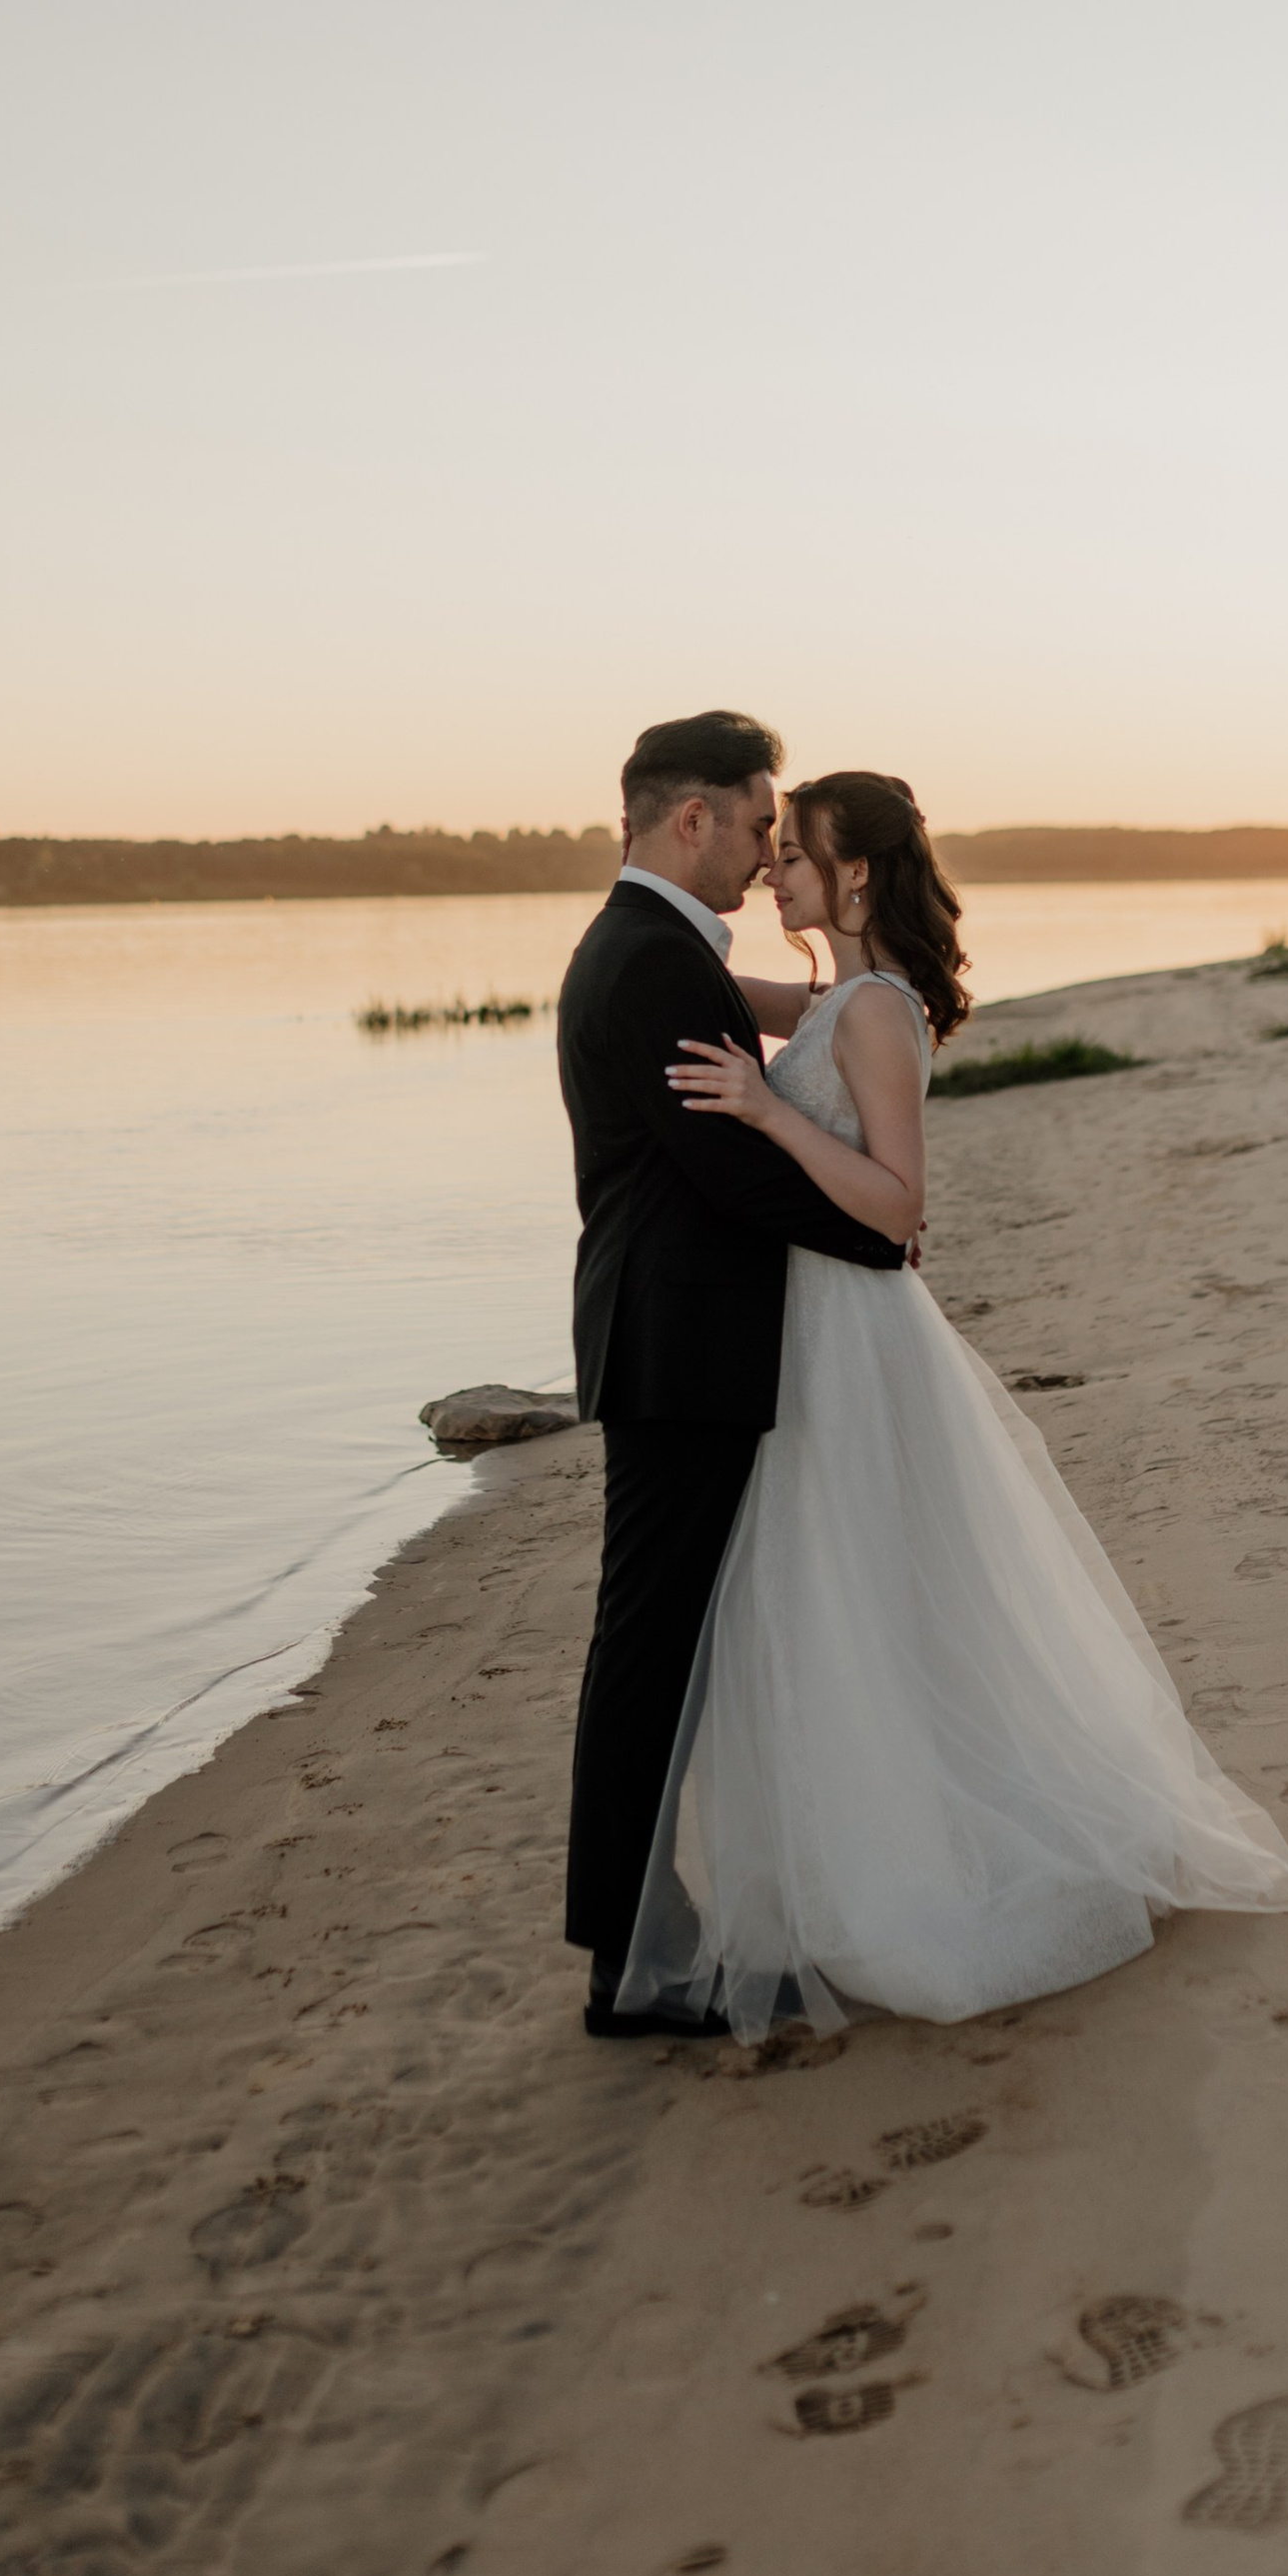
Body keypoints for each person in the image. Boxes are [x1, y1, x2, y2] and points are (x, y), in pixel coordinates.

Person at [616, 767, 1288, 2039]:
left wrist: (768, 1113)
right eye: (767, 851)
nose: (773, 869)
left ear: (856, 875)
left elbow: (896, 1208)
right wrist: (643, 937)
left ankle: (934, 1868)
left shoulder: (874, 1013)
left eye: (798, 854)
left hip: (854, 1340)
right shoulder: (838, 996)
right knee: (844, 1603)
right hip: (812, 1336)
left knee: (875, 1598)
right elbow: (707, 993)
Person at [555, 711, 909, 2038]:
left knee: (667, 1643)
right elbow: (723, 1166)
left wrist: (856, 1005)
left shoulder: (659, 949)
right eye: (760, 819)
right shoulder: (650, 961)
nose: (769, 846)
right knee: (652, 1647)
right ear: (690, 814)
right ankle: (627, 1959)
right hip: (679, 1344)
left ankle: (658, 1932)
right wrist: (881, 1233)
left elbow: (800, 1023)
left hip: (676, 1337)